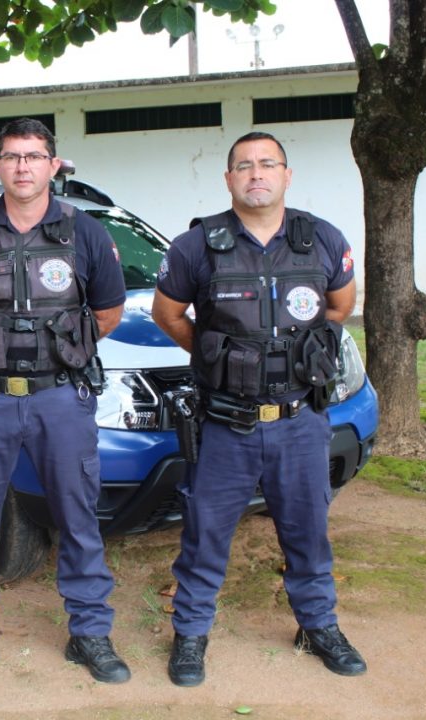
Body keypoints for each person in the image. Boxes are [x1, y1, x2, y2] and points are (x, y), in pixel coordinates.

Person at [151, 131, 366, 686]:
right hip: (227, 425)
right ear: (229, 179)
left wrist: (301, 356)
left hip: (300, 422)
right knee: (205, 535)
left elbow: (341, 305)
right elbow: (168, 315)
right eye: (244, 165)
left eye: (267, 164)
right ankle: (191, 633)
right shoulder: (196, 246)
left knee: (308, 532)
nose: (256, 174)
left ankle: (318, 625)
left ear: (286, 175)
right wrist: (219, 359)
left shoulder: (321, 238)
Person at [0, 118, 130, 689]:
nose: (23, 166)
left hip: (59, 397)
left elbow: (108, 313)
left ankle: (89, 632)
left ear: (53, 165)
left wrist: (55, 352)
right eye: (13, 156)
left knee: (78, 516)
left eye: (34, 156)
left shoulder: (85, 232)